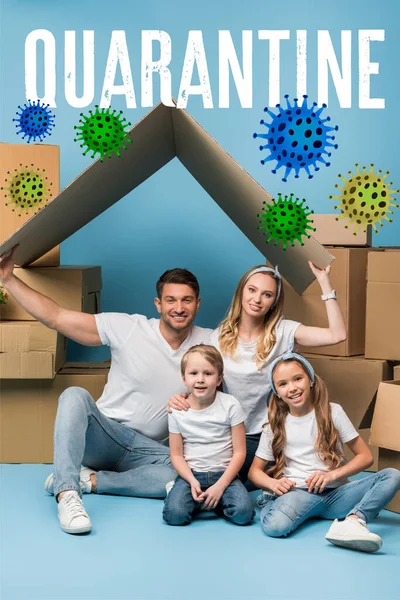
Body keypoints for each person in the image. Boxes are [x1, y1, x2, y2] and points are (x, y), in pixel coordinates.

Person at [0, 245, 211, 534]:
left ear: (198, 303)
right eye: (171, 300)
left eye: (187, 300)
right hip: (105, 437)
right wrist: (8, 279)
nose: (179, 307)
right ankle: (67, 493)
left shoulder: (211, 342)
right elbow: (57, 317)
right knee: (74, 395)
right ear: (158, 304)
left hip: (152, 451)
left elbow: (257, 347)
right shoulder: (128, 328)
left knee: (184, 476)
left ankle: (89, 481)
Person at [169, 262, 347, 482]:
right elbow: (202, 377)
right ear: (241, 291)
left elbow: (336, 335)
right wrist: (182, 398)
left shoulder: (284, 331)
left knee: (241, 484)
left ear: (274, 302)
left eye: (267, 294)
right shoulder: (218, 337)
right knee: (208, 479)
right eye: (252, 290)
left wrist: (324, 282)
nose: (257, 299)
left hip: (269, 435)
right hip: (231, 434)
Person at [248, 348, 400, 552]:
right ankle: (273, 501)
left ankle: (353, 521)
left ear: (310, 380)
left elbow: (365, 457)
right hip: (299, 493)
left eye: (297, 379)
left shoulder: (333, 412)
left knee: (393, 475)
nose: (292, 388)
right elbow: (254, 472)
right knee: (275, 527)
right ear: (276, 392)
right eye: (283, 384)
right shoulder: (274, 426)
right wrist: (273, 484)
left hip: (337, 495)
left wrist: (331, 476)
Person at [163, 344, 255, 526]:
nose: (200, 379)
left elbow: (239, 452)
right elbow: (176, 454)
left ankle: (211, 500)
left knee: (243, 514)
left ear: (219, 379)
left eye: (208, 373)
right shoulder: (177, 410)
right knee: (174, 515)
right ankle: (192, 496)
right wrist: (190, 480)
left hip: (224, 475)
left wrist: (220, 486)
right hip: (191, 475)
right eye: (194, 373)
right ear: (184, 378)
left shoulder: (230, 405)